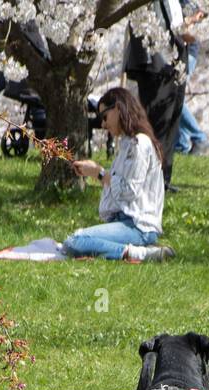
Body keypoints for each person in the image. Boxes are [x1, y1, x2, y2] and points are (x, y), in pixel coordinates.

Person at [64, 88, 174, 263]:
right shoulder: (128, 145)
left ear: (117, 108)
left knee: (74, 242)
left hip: (138, 226)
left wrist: (98, 173)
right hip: (126, 222)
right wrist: (97, 173)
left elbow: (129, 190)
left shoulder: (139, 144)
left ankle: (139, 254)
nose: (103, 125)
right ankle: (138, 251)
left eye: (104, 117)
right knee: (77, 240)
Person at [124, 0, 194, 190]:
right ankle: (150, 179)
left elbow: (176, 23)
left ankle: (164, 178)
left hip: (176, 56)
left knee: (172, 118)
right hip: (155, 60)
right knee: (156, 121)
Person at [174, 1, 208, 154]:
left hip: (188, 53)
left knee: (175, 95)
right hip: (175, 52)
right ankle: (181, 144)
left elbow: (190, 27)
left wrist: (187, 22)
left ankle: (198, 137)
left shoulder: (186, 3)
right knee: (173, 97)